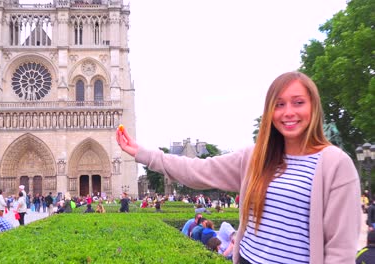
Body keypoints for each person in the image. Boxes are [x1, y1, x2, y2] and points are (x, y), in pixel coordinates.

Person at [116, 71, 361, 263]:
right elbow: (197, 170)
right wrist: (143, 154)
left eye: (298, 102)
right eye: (279, 104)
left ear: (314, 107)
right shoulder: (255, 157)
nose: (288, 112)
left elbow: (340, 251)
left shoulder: (336, 165)